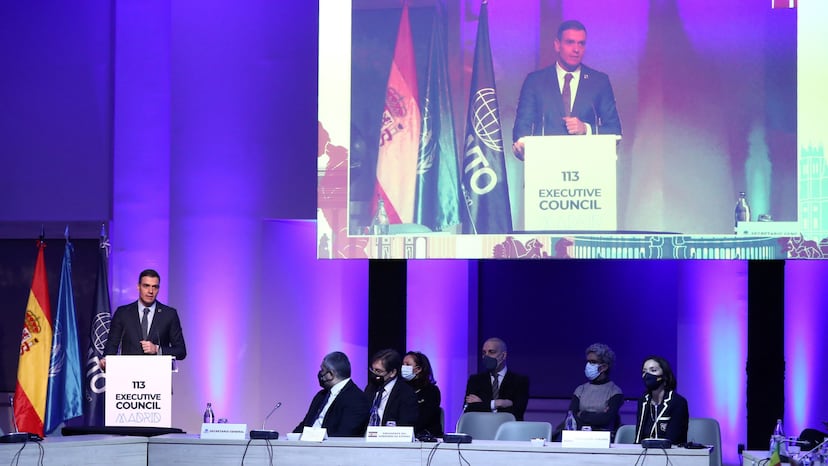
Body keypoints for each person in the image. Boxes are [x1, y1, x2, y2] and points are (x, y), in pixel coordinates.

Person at [512, 20, 622, 160]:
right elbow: (522, 127)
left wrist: (586, 129)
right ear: (557, 45)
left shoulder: (599, 82)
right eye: (570, 42)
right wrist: (522, 145)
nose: (576, 49)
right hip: (546, 163)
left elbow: (615, 130)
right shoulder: (535, 81)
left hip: (587, 164)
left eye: (581, 43)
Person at [101, 269, 186, 369]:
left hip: (157, 374)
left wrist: (157, 349)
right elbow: (112, 344)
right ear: (138, 286)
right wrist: (106, 360)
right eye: (146, 286)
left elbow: (181, 351)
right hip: (129, 373)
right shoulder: (123, 313)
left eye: (155, 287)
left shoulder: (169, 314)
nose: (150, 291)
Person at [294, 351, 370, 437]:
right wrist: (290, 439)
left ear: (330, 374)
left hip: (328, 444)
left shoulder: (356, 399)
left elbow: (345, 434)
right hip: (306, 443)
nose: (320, 373)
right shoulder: (321, 395)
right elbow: (305, 424)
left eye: (322, 370)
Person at [463, 337, 530, 421]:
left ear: (503, 355)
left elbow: (516, 412)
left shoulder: (520, 381)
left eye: (491, 352)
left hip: (508, 427)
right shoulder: (475, 380)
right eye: (484, 353)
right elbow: (468, 409)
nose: (486, 356)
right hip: (482, 426)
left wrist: (482, 404)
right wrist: (496, 403)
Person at [567, 343, 624, 434]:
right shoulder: (580, 390)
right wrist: (597, 416)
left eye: (593, 362)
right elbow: (571, 418)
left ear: (604, 367)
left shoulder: (615, 391)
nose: (588, 365)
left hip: (604, 437)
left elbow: (606, 420)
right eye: (587, 362)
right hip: (579, 435)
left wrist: (582, 414)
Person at [634, 355, 689, 445]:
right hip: (644, 452)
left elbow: (673, 440)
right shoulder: (643, 401)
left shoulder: (678, 402)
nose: (647, 375)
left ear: (665, 376)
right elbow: (638, 438)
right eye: (644, 371)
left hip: (671, 452)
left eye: (653, 370)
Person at [363, 349, 419, 428]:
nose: (374, 374)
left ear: (392, 372)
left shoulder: (406, 394)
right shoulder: (370, 388)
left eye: (378, 371)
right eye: (373, 369)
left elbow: (406, 425)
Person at [402, 351, 443, 438]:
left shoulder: (432, 391)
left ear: (418, 369)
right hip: (402, 434)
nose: (403, 367)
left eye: (408, 365)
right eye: (403, 364)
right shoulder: (400, 389)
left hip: (427, 435)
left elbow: (425, 418)